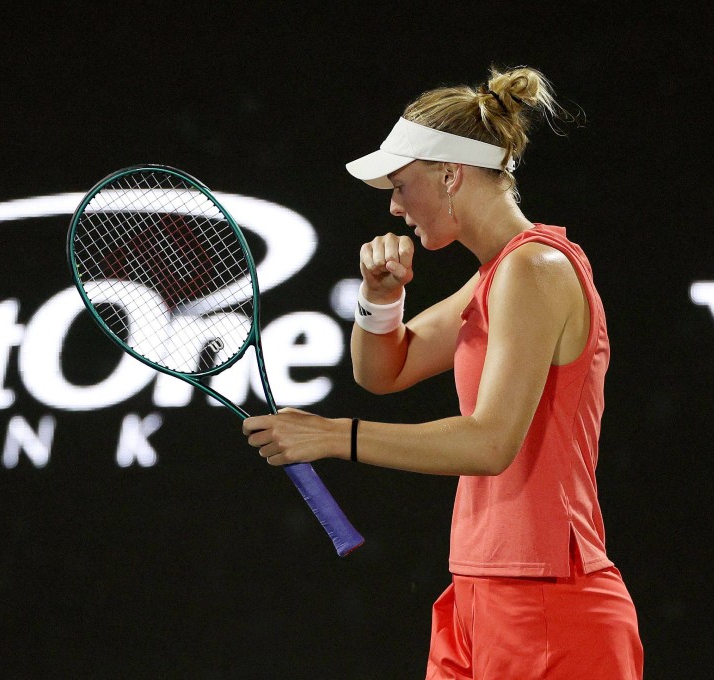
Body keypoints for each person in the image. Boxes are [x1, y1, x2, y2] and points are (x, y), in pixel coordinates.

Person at [242, 65, 644, 679]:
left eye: (402, 185)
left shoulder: (535, 270)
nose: (396, 207)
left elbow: (489, 442)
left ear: (451, 175)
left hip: (549, 606)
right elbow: (383, 371)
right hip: (478, 592)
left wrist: (331, 436)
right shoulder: (494, 277)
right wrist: (380, 298)